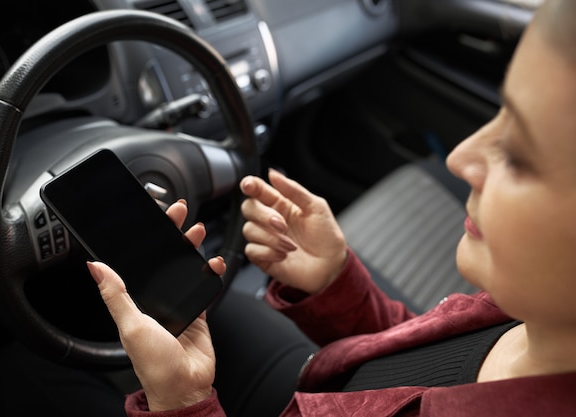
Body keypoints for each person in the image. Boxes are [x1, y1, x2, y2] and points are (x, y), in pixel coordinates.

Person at [85, 0, 576, 415]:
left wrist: (181, 401)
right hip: (330, 380)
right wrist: (337, 284)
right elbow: (431, 356)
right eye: (499, 115)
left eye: (517, 154)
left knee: (30, 376)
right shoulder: (535, 316)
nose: (459, 157)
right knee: (221, 308)